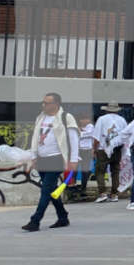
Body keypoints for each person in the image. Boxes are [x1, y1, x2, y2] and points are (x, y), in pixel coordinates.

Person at [21, 93, 79, 231]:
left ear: (56, 104)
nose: (44, 105)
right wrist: (34, 155)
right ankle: (63, 216)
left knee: (46, 190)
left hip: (57, 158)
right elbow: (35, 137)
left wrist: (73, 160)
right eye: (43, 102)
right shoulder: (41, 117)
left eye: (47, 103)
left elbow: (74, 139)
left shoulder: (66, 117)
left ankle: (35, 221)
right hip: (42, 158)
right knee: (51, 190)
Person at [93, 102, 127, 202]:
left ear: (107, 110)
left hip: (103, 147)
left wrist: (94, 149)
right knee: (115, 171)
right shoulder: (122, 120)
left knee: (100, 171)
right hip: (117, 148)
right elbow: (125, 135)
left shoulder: (102, 119)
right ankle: (114, 194)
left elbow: (96, 137)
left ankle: (102, 193)